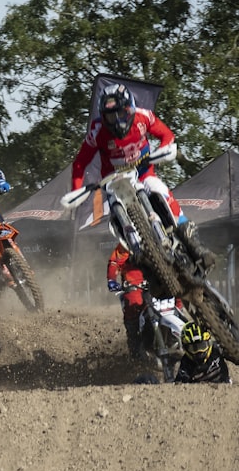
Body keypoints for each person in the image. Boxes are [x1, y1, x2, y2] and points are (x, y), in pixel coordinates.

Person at [71, 83, 214, 269]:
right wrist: (77, 190)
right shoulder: (97, 130)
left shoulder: (143, 116)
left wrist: (163, 151)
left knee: (159, 189)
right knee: (114, 208)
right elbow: (80, 162)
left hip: (143, 172)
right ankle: (137, 253)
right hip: (114, 179)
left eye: (120, 114)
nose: (117, 121)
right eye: (111, 116)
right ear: (103, 116)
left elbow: (167, 135)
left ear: (129, 108)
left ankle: (194, 243)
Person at [107, 242, 149, 360]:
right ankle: (135, 352)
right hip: (135, 285)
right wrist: (111, 279)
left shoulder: (160, 235)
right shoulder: (129, 240)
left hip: (160, 281)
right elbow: (114, 261)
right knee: (133, 307)